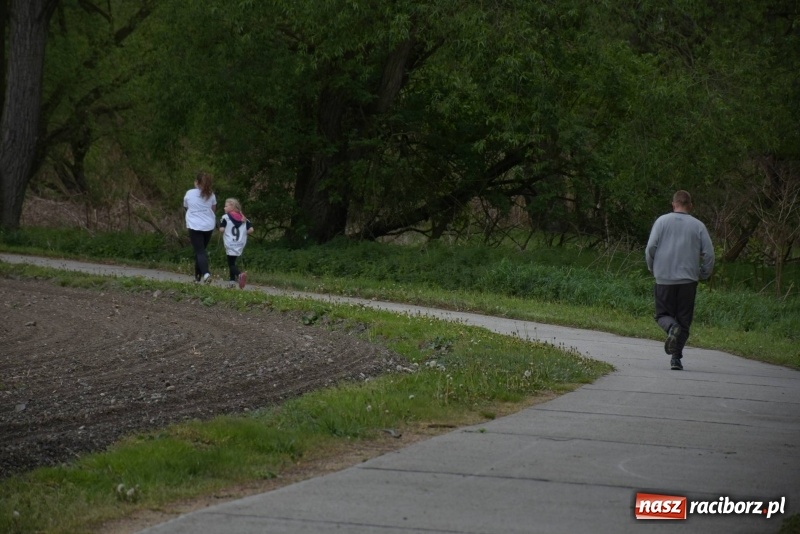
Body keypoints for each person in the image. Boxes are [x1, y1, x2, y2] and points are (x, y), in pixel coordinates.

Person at [646, 190, 715, 370]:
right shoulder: (698, 226)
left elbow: (651, 247)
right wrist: (704, 273)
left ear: (673, 203)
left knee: (662, 315)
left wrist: (652, 266)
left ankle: (671, 328)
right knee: (684, 321)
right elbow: (709, 254)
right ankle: (676, 358)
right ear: (690, 205)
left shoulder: (661, 221)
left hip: (664, 278)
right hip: (688, 280)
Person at [183, 172, 217, 284]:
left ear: (197, 182)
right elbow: (213, 209)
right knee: (200, 251)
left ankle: (206, 274)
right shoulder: (211, 194)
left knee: (199, 252)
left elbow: (186, 207)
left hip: (194, 225)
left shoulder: (189, 193)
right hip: (208, 226)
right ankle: (197, 279)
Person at [218, 198, 254, 289]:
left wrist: (221, 229)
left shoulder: (225, 217)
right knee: (233, 261)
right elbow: (251, 230)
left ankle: (239, 274)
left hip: (230, 243)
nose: (224, 208)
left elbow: (222, 229)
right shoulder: (244, 219)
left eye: (226, 206)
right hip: (239, 243)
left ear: (232, 207)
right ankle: (232, 282)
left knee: (231, 264)